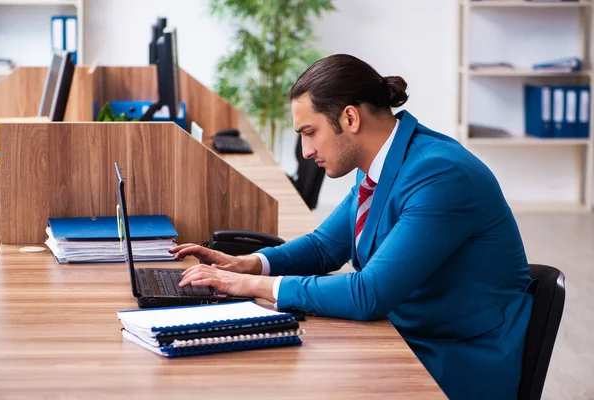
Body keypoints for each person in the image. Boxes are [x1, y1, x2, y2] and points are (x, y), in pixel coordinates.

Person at [169, 54, 536, 400]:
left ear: (349, 118)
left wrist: (255, 286)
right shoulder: (383, 163)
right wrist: (247, 264)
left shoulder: (439, 175)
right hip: (403, 333)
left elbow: (368, 294)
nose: (306, 151)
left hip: (454, 358)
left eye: (310, 132)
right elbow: (324, 247)